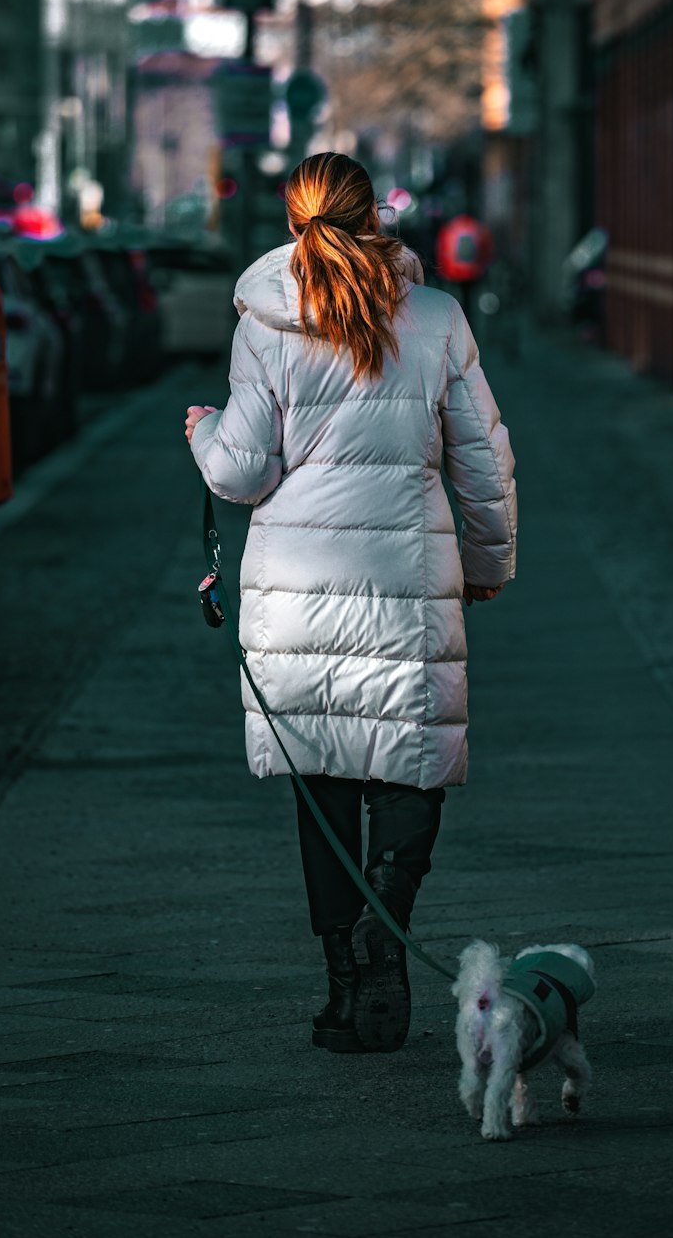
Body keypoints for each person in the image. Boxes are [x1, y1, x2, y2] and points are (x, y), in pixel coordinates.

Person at [185, 151, 517, 1055]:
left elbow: (242, 471)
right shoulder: (439, 317)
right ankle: (390, 912)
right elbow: (481, 460)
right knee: (410, 760)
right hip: (407, 577)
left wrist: (204, 433)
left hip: (297, 585)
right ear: (376, 217)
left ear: (293, 221)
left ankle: (345, 982)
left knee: (324, 775)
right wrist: (486, 565)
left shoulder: (264, 321)